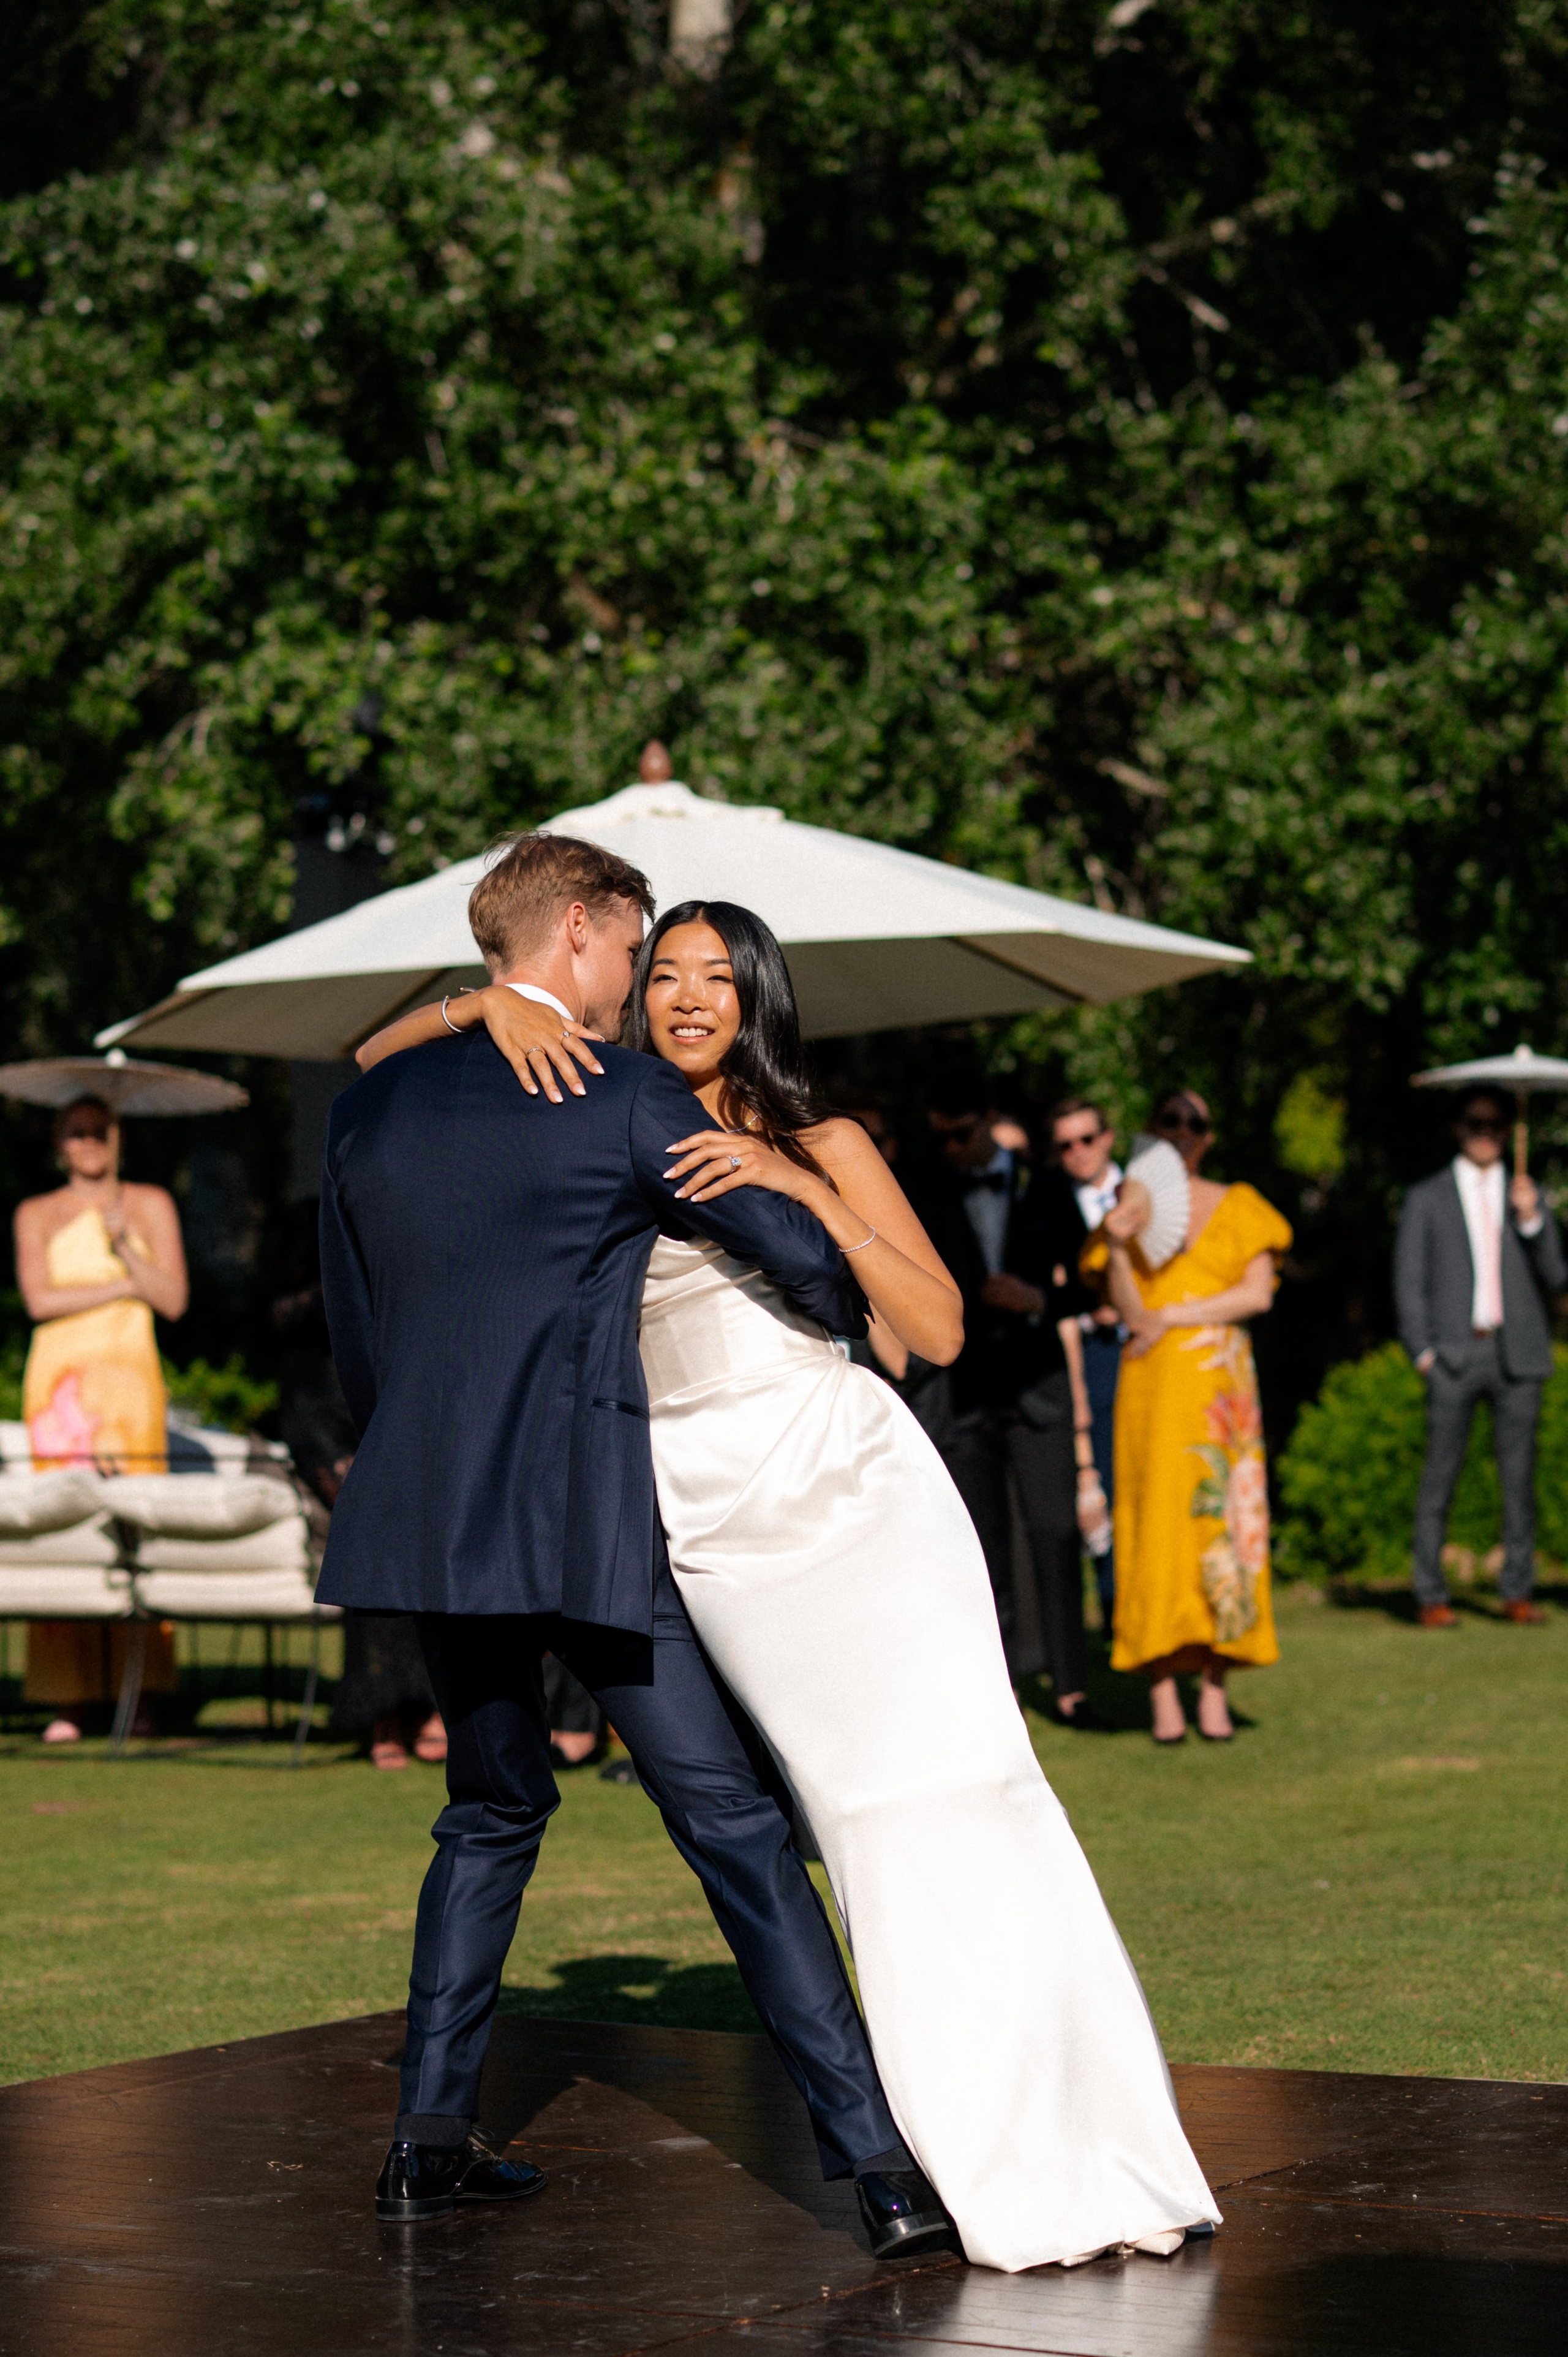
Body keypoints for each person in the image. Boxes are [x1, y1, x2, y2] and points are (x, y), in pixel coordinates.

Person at [360, 888, 1218, 2272]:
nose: (687, 996)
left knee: (970, 1794)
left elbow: (927, 1328)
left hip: (859, 1497)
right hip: (701, 1529)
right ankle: (930, 2147)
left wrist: (805, 1189)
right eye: (665, 975)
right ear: (628, 989)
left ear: (755, 995)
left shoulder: (815, 1135)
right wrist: (482, 1004)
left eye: (716, 975)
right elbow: (380, 1090)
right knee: (848, 1824)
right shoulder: (610, 1115)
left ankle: (1044, 2138)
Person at [320, 833, 936, 2252]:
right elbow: (802, 1269)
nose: (634, 983)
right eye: (633, 944)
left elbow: (361, 1339)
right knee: (729, 1825)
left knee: (486, 1813)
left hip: (433, 1521)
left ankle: (423, 2142)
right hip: (591, 1525)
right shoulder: (619, 1095)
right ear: (584, 928)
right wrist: (827, 1231)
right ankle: (878, 2168)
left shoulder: (366, 1111)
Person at [1081, 1087, 1290, 1746]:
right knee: (1155, 1532)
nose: (1181, 1131)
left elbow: (1256, 1294)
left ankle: (1215, 1686)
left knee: (1222, 1529)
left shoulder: (1243, 1204)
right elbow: (1125, 1309)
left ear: (1210, 1134)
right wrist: (1117, 1247)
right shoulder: (1130, 1209)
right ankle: (1162, 1688)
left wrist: (1172, 1316)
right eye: (1168, 1119)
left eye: (1194, 1122)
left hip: (1221, 1394)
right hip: (1151, 1390)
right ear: (1150, 1130)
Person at [901, 1066, 1099, 1725]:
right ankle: (1003, 1683)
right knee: (981, 1547)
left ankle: (1071, 1679)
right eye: (943, 1138)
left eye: (961, 1135)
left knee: (1054, 1529)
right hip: (965, 1391)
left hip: (1036, 1384)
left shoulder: (1044, 1185)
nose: (952, 1148)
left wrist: (1038, 1300)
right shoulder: (926, 1192)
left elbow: (1088, 1288)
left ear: (987, 1123)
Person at [13, 1094, 189, 1743]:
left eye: (99, 1132)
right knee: (70, 1532)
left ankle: (137, 1687)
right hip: (62, 1387)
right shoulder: (37, 1213)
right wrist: (122, 1283)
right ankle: (69, 1696)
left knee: (134, 1531)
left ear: (116, 1139)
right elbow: (39, 1299)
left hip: (130, 1383)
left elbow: (172, 1298)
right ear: (61, 1144)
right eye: (76, 1133)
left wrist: (125, 1248)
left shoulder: (149, 1205)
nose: (88, 1143)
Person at [271, 1200, 447, 1770]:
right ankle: (382, 1712)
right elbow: (278, 1322)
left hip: (393, 1407)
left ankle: (431, 1704)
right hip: (320, 1415)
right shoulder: (303, 1228)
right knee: (372, 1537)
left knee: (427, 1539)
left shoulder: (408, 1216)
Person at [1393, 1084, 1566, 1628]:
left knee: (1519, 1481)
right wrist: (1423, 1353)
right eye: (1476, 1122)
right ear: (1457, 1127)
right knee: (1439, 1477)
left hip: (1519, 1357)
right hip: (1453, 1356)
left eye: (1496, 1124)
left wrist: (1533, 1220)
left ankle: (1517, 1590)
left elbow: (1558, 1275)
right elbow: (1409, 1282)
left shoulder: (1527, 1194)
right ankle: (1431, 1594)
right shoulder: (1427, 1197)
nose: (1486, 1133)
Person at [1050, 1099, 1124, 1626]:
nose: (1078, 1152)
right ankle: (1119, 1618)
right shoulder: (1051, 1208)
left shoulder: (1147, 1196)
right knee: (1105, 1493)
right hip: (1096, 1361)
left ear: (1108, 1138)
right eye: (1066, 1145)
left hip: (1154, 1352)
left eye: (1086, 1139)